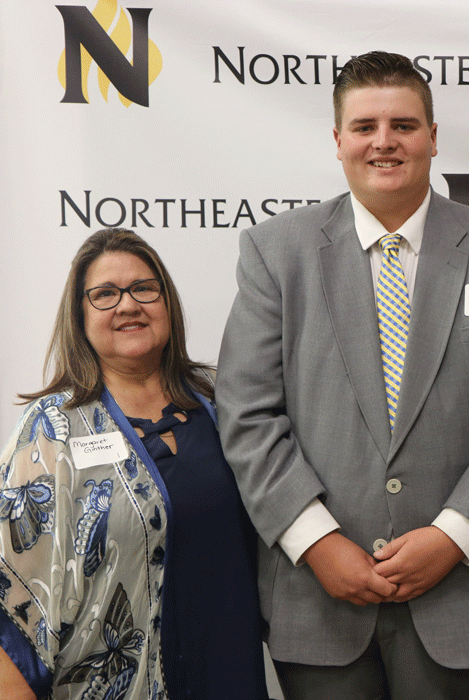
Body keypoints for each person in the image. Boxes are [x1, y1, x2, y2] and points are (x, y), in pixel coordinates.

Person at [214, 50, 469, 700]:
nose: (384, 141)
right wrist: (317, 542)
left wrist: (454, 536)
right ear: (338, 140)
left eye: (403, 124)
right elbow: (246, 411)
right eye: (366, 125)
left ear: (432, 137)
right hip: (319, 600)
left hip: (463, 594)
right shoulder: (275, 252)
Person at [0, 228, 269, 700]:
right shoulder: (51, 430)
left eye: (144, 288)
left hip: (230, 671)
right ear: (80, 316)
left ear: (167, 303)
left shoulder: (222, 400)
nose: (128, 305)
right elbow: (12, 599)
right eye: (105, 294)